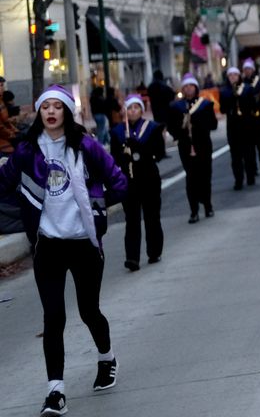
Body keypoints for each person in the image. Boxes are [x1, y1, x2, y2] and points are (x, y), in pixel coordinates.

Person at [0, 85, 127, 417]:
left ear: (67, 112)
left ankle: (106, 357)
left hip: (83, 244)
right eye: (46, 107)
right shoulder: (28, 151)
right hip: (48, 247)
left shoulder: (86, 147)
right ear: (40, 113)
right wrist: (26, 206)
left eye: (58, 106)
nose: (51, 112)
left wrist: (97, 211)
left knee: (89, 311)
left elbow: (119, 183)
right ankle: (55, 392)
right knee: (53, 317)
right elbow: (4, 183)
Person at [110, 94, 166, 270]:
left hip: (149, 178)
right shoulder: (118, 132)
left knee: (151, 216)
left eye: (136, 107)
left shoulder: (152, 128)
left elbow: (160, 152)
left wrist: (140, 148)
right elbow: (113, 158)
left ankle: (154, 251)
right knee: (132, 219)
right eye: (129, 108)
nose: (132, 111)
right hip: (129, 181)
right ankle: (132, 257)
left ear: (142, 110)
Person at [168, 74, 218, 223]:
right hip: (186, 146)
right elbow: (171, 128)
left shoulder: (205, 105)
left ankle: (208, 205)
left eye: (191, 86)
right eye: (186, 86)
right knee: (191, 178)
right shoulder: (176, 107)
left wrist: (197, 123)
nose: (188, 88)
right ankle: (194, 210)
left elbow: (213, 125)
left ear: (196, 88)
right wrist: (181, 128)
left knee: (205, 176)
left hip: (203, 145)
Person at [218, 67, 255, 191]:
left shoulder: (247, 89)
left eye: (235, 75)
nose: (233, 77)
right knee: (235, 156)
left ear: (239, 76)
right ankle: (238, 179)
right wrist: (231, 100)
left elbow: (252, 105)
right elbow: (223, 109)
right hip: (233, 126)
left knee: (248, 152)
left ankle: (250, 176)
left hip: (247, 125)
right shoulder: (224, 91)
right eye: (230, 75)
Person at [241, 59, 260, 172]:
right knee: (250, 143)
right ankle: (253, 166)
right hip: (247, 117)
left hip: (259, 115)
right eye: (245, 69)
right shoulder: (242, 84)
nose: (247, 71)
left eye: (249, 69)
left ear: (253, 70)